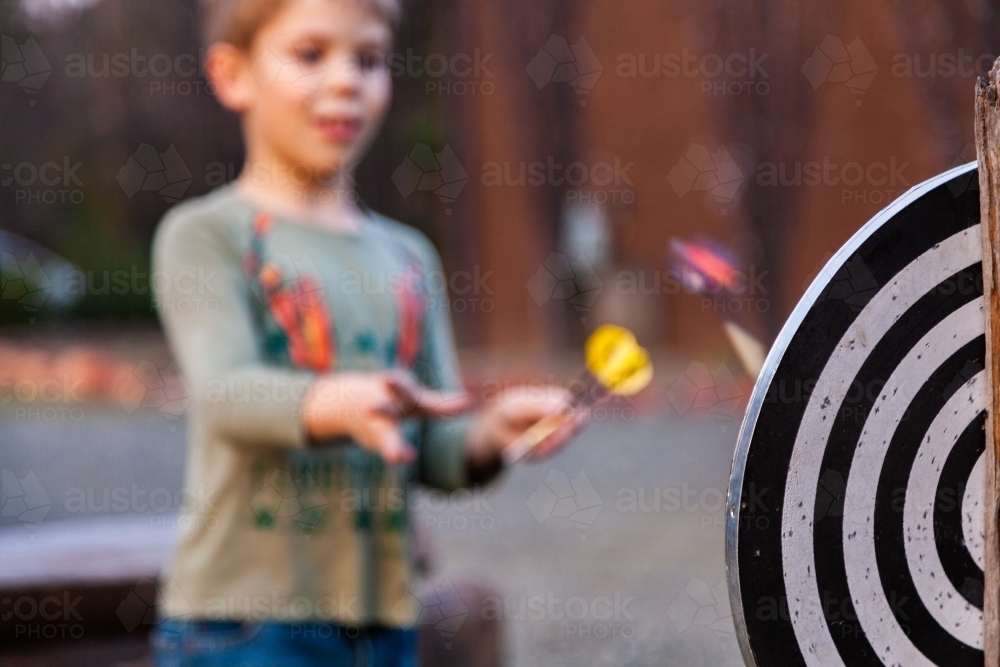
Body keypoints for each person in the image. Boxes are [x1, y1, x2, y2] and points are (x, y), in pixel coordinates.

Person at [148, 0, 585, 664]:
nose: (348, 80)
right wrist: (340, 403)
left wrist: (492, 433)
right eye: (310, 54)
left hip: (384, 626)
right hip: (244, 623)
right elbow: (226, 394)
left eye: (370, 59)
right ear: (233, 74)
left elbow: (435, 446)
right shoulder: (207, 235)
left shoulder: (409, 258)